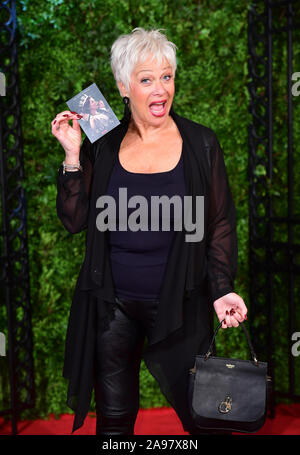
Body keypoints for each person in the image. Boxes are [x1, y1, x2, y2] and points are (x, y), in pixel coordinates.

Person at [52, 27, 247, 435]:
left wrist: (223, 286)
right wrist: (73, 156)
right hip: (113, 309)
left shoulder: (202, 143)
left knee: (204, 418)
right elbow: (74, 221)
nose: (160, 89)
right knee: (114, 423)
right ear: (123, 86)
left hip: (182, 305)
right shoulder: (103, 142)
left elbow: (220, 222)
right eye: (146, 79)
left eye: (167, 76)